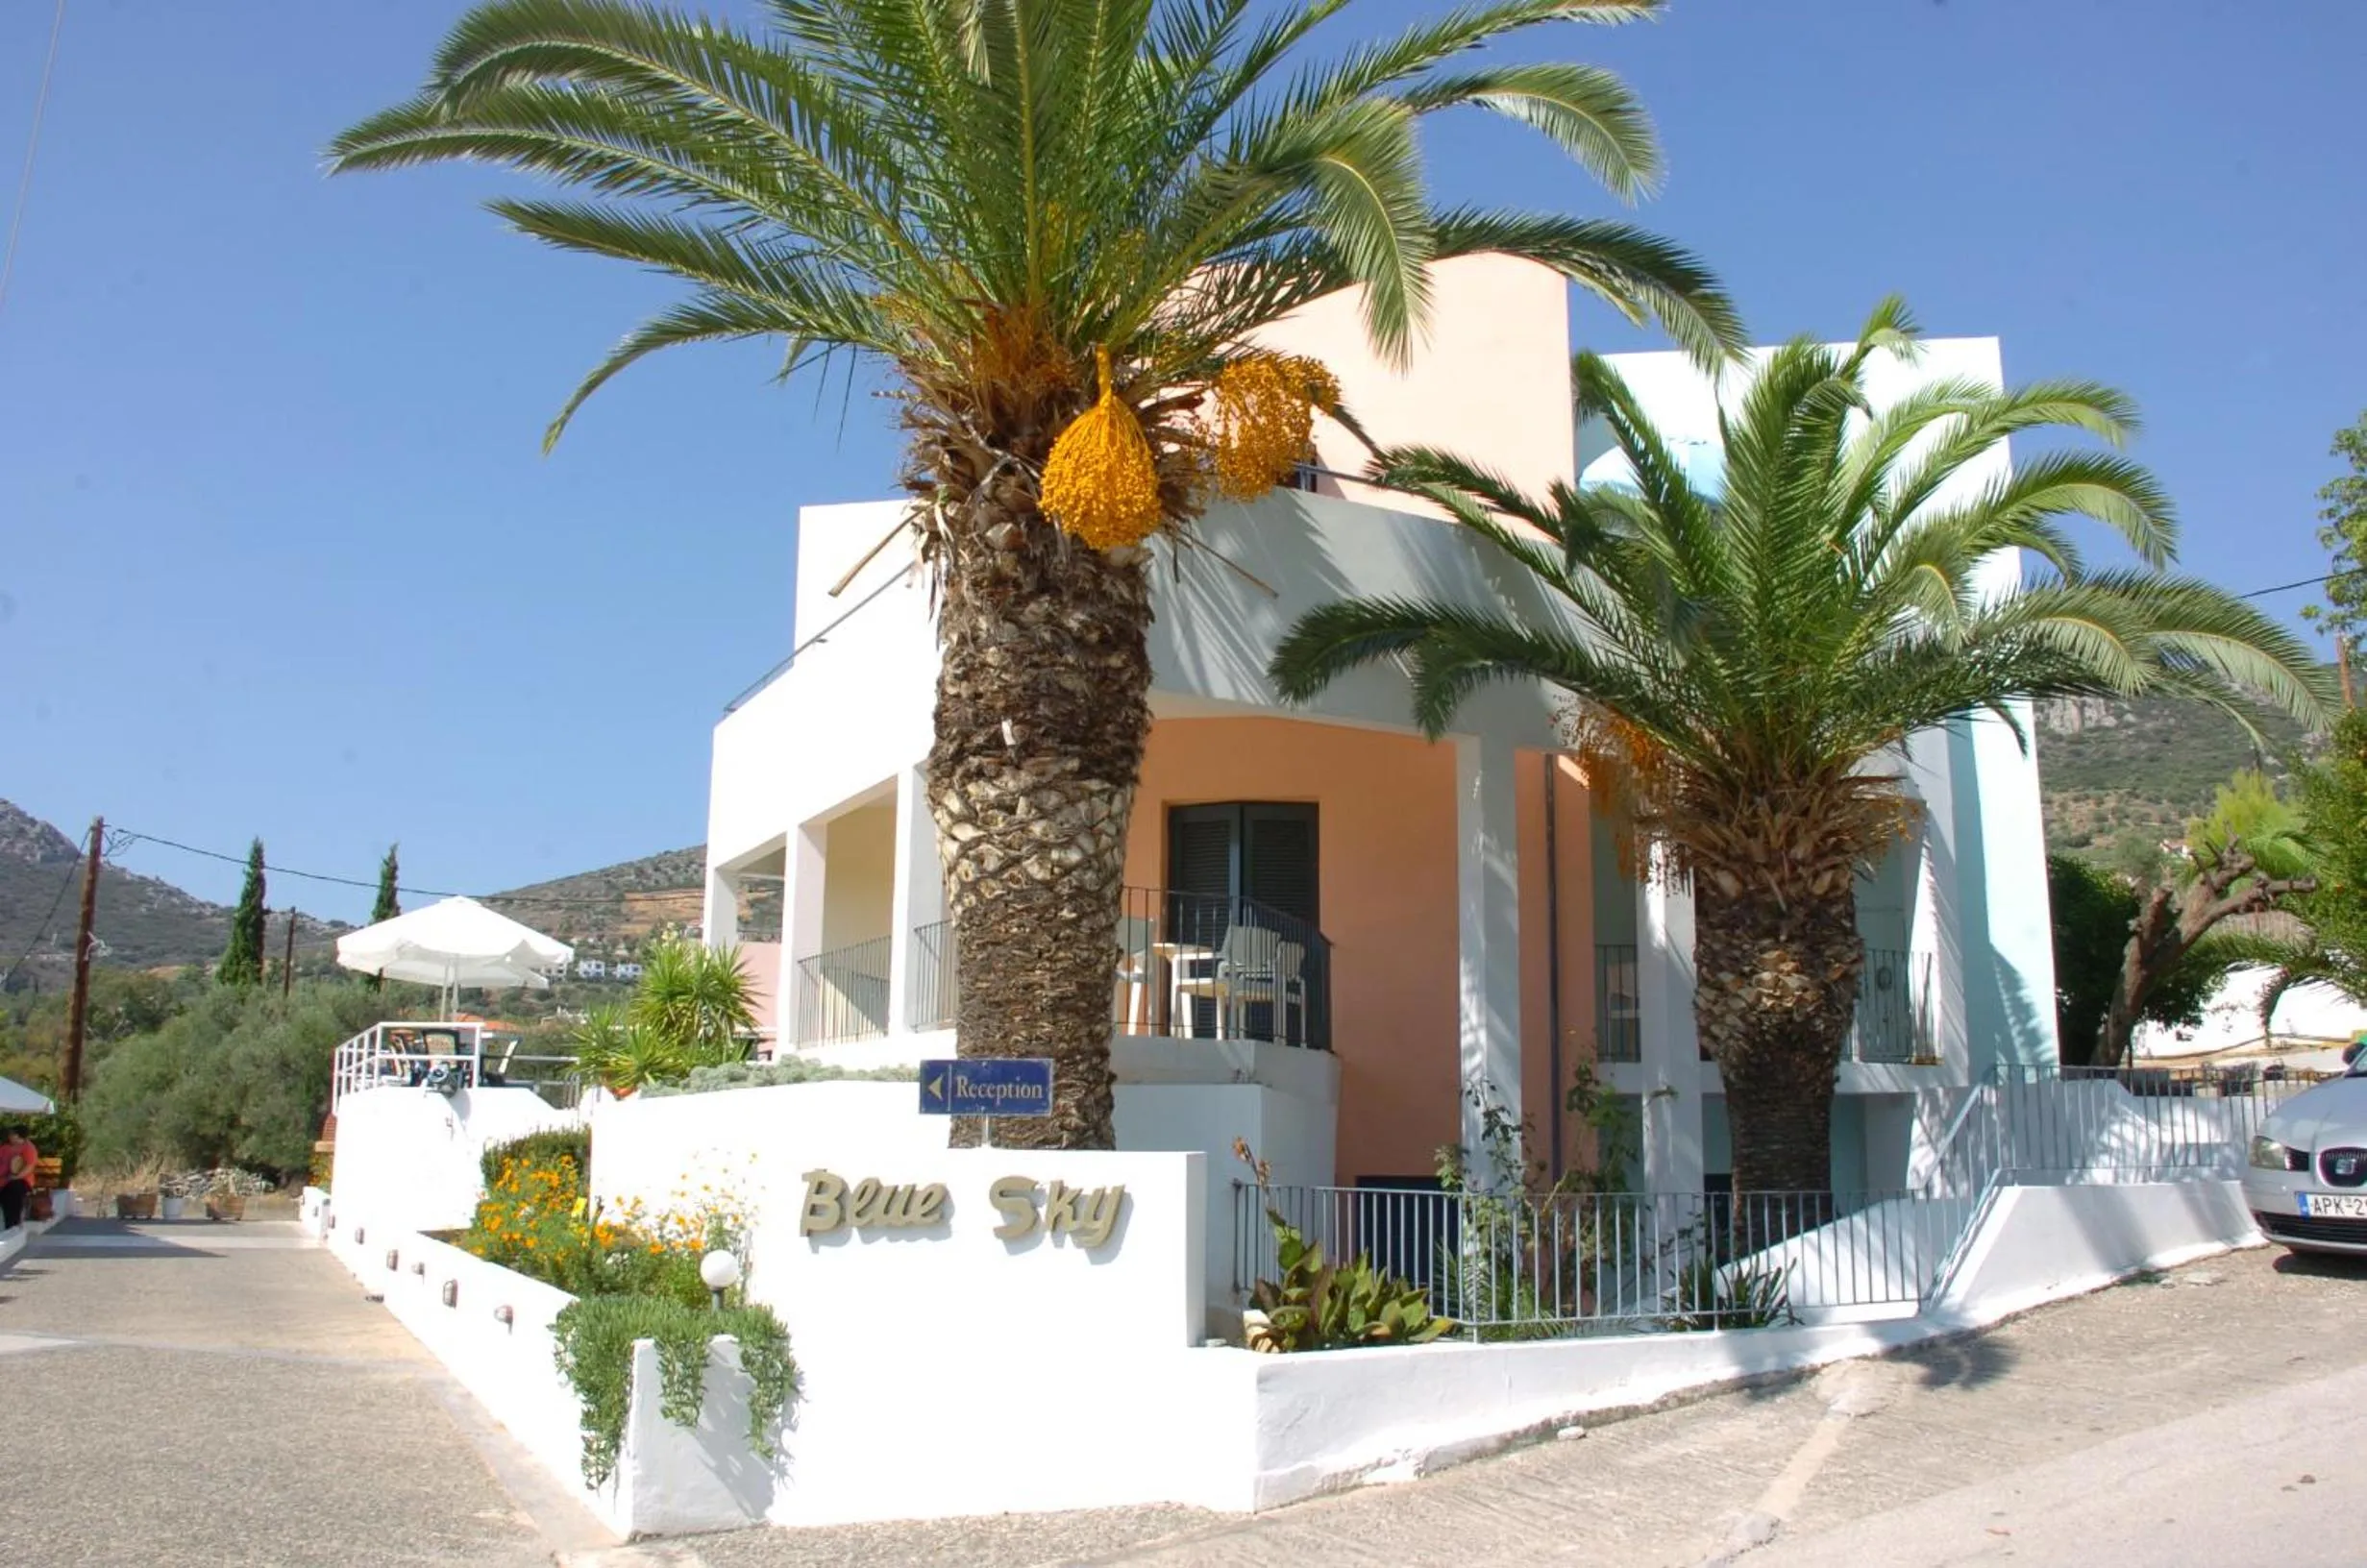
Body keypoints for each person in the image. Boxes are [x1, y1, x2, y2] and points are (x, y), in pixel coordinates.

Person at [0, 1125, 36, 1232]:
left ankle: (12, 1227)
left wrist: (15, 1177)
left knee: (12, 1192)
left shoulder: (28, 1148)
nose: (9, 1136)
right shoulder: (5, 1148)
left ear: (17, 1136)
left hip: (21, 1181)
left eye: (11, 1134)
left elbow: (29, 1166)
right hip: (4, 1180)